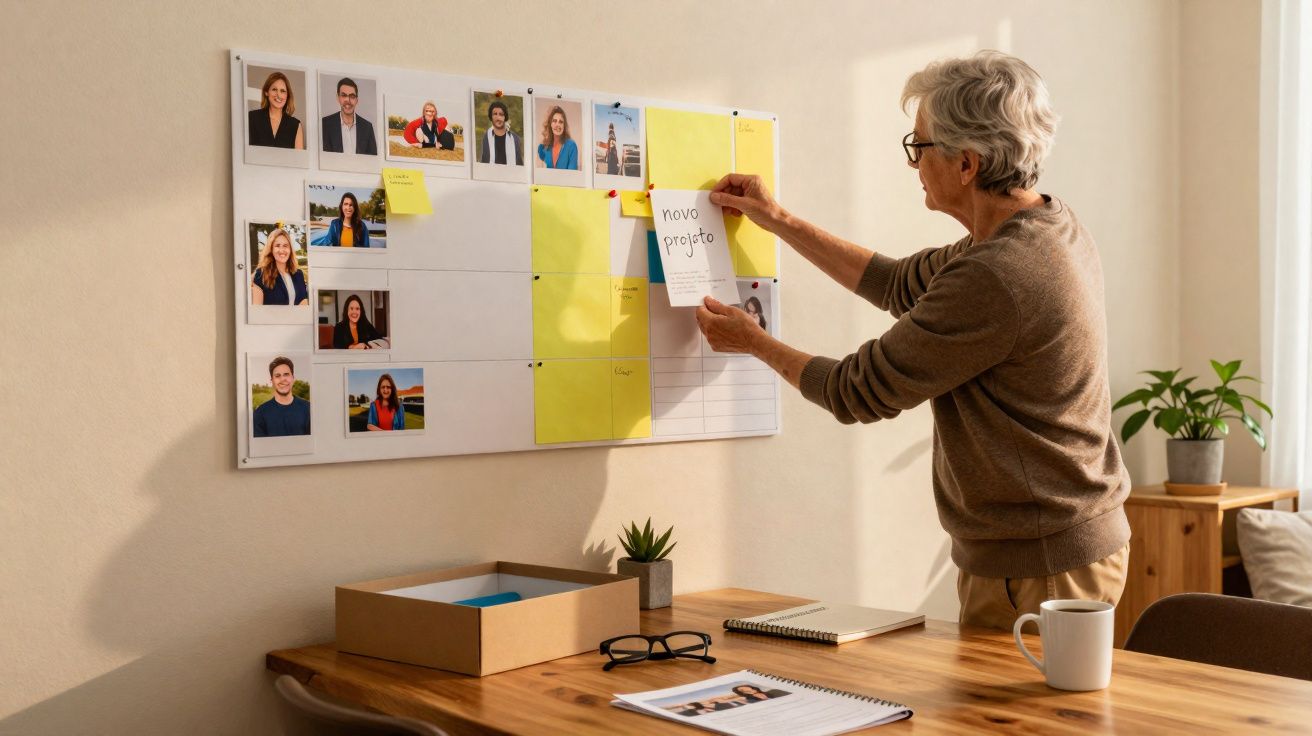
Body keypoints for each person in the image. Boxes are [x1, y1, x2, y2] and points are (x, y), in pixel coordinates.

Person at [695, 51, 1131, 631]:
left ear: (966, 164)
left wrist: (754, 342)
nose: (912, 163)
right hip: (1048, 547)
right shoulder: (1041, 227)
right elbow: (898, 282)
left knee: (1020, 724)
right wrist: (777, 218)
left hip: (1041, 562)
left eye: (918, 146)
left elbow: (858, 390)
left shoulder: (999, 273)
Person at [252, 356, 310, 437]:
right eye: (277, 376)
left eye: (286, 374)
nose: (283, 379)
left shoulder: (308, 408)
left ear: (293, 378)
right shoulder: (260, 414)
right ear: (272, 381)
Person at [250, 226, 308, 305]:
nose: (282, 250)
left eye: (285, 246)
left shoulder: (298, 274)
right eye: (277, 246)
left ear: (290, 249)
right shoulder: (260, 275)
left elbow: (303, 304)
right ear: (271, 249)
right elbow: (256, 311)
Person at [248, 71, 304, 150]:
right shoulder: (252, 117)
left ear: (287, 95)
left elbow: (299, 160)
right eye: (274, 89)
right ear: (266, 92)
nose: (278, 95)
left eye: (282, 91)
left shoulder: (295, 125)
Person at [321, 77, 377, 155]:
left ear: (357, 100)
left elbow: (373, 160)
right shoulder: (325, 124)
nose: (348, 100)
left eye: (352, 96)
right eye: (344, 95)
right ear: (338, 98)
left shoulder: (367, 127)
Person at [478, 99, 523, 165]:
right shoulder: (486, 137)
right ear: (491, 117)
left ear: (505, 117)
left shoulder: (515, 139)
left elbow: (519, 164)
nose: (498, 117)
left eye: (501, 114)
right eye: (495, 114)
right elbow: (484, 162)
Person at [536, 105, 578, 170]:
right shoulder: (546, 148)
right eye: (554, 121)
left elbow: (572, 176)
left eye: (561, 122)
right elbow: (540, 152)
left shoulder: (571, 146)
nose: (557, 124)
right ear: (550, 124)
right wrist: (546, 134)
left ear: (564, 126)